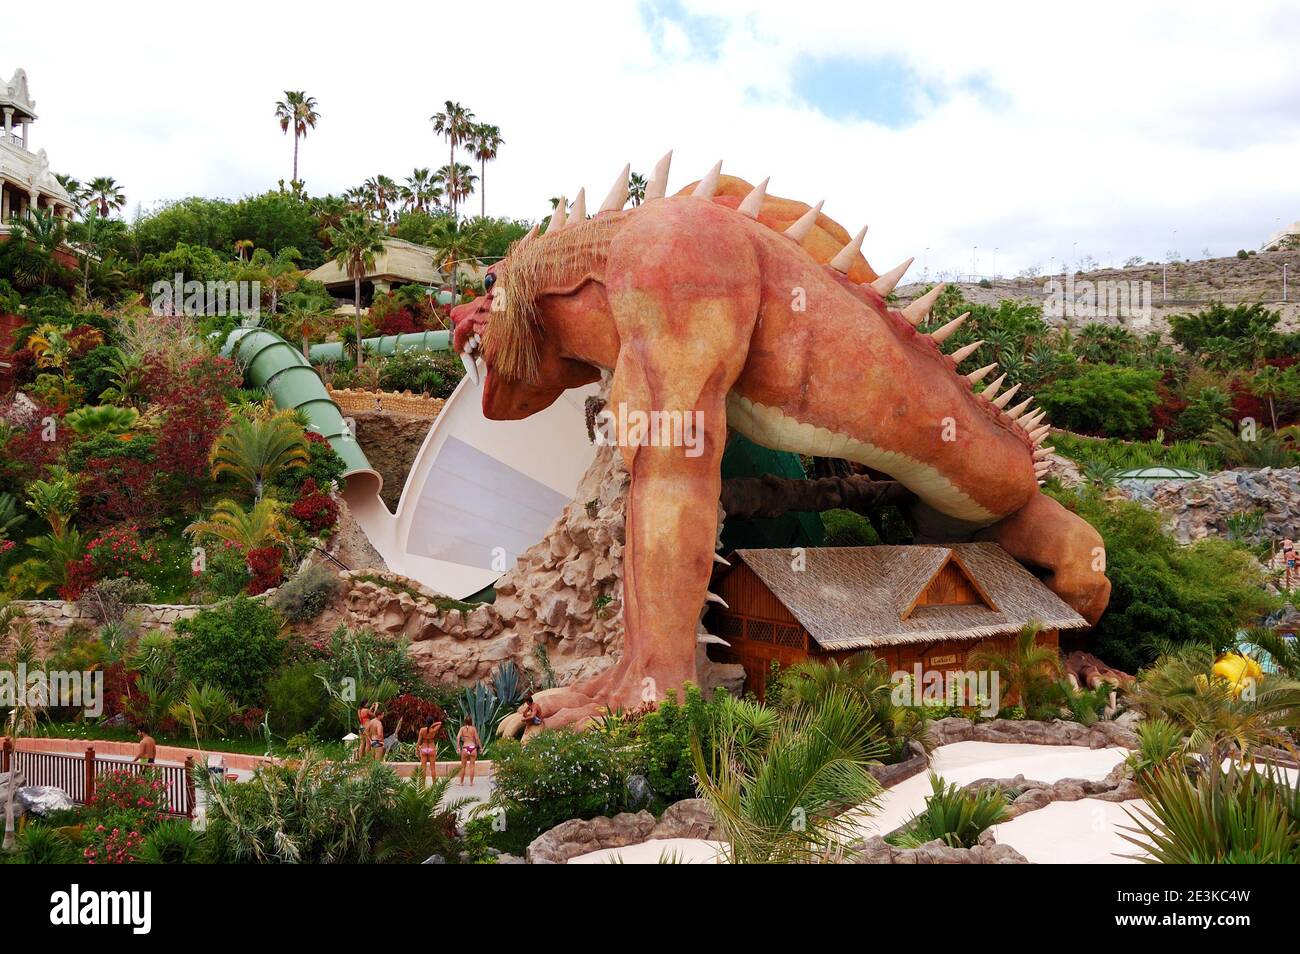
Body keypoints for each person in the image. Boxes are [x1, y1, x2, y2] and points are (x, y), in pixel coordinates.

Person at [416, 715, 443, 787]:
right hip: (431, 748)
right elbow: (440, 723)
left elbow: (418, 742)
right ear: (432, 722)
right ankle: (434, 785)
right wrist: (432, 725)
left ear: (426, 722)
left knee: (423, 768)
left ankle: (423, 786)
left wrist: (416, 750)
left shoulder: (422, 730)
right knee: (433, 768)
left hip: (424, 748)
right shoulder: (433, 730)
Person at [456, 716, 481, 786]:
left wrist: (458, 747)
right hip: (472, 748)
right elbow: (477, 739)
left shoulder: (462, 729)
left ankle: (461, 782)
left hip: (465, 747)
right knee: (472, 766)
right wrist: (481, 748)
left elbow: (457, 738)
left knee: (463, 766)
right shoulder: (473, 728)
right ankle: (471, 782)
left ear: (464, 721)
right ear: (471, 721)